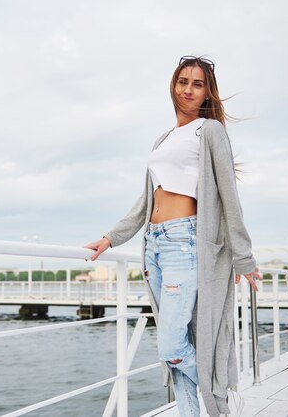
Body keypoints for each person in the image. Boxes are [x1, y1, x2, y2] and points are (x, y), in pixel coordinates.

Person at [84, 56, 261, 417]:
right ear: (173, 85)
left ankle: (219, 399)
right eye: (183, 81)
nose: (188, 90)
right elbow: (148, 197)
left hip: (186, 242)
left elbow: (229, 194)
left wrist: (243, 256)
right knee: (178, 348)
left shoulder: (209, 131)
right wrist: (112, 237)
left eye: (197, 84)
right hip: (155, 246)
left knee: (170, 346)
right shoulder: (163, 139)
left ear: (207, 91)